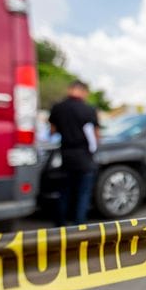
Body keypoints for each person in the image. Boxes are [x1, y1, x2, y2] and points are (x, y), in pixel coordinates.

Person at [49, 80, 99, 226]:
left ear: (70, 89)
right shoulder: (89, 109)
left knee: (64, 191)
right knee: (83, 193)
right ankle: (79, 225)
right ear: (83, 91)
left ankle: (60, 224)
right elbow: (96, 135)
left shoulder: (58, 107)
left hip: (66, 155)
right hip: (84, 155)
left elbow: (52, 131)